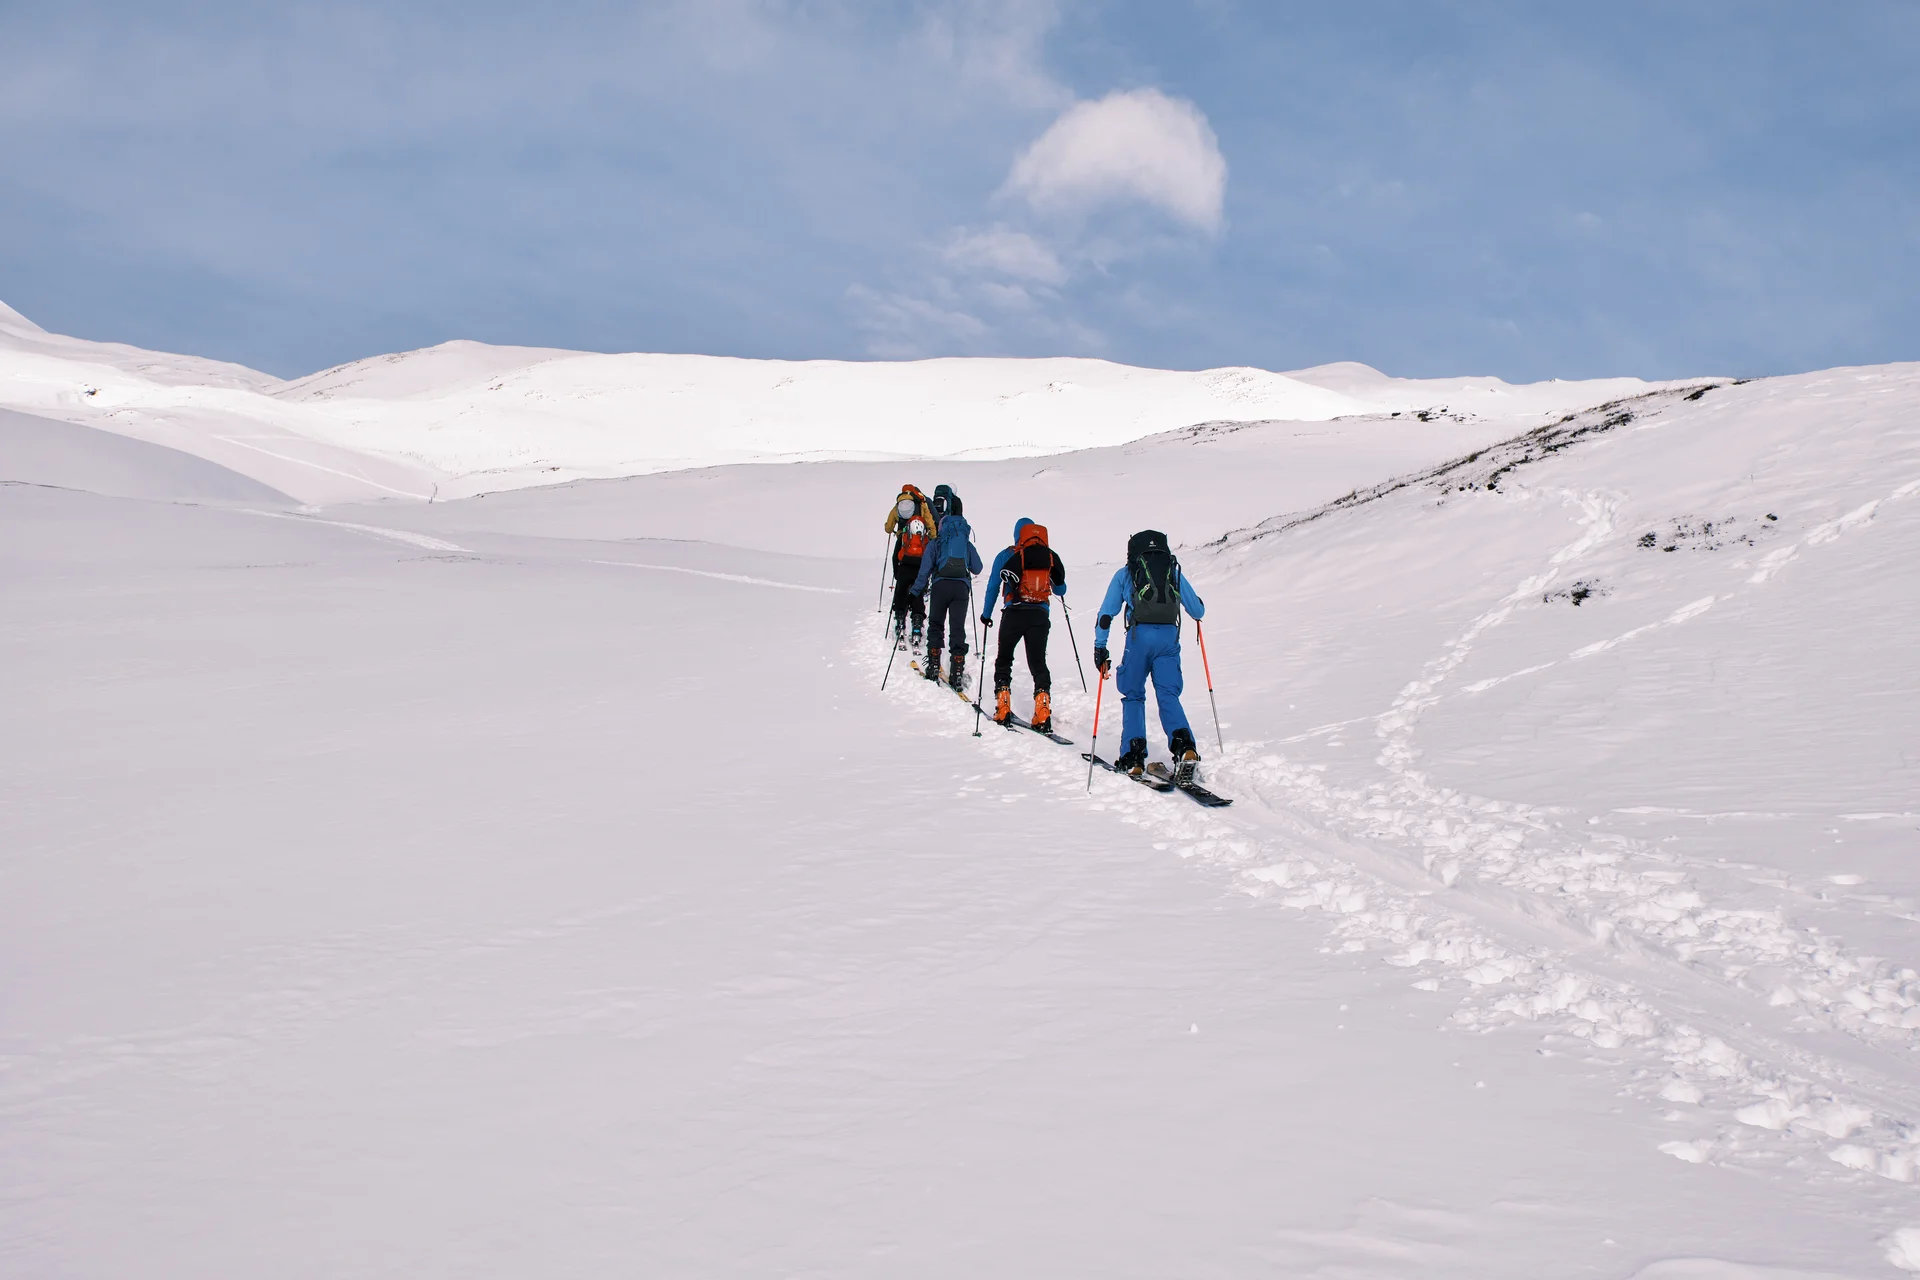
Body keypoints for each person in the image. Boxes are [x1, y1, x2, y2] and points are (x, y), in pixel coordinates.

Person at [1092, 529, 1206, 778]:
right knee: (1168, 694)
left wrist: (1100, 647)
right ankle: (1184, 746)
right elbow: (1197, 611)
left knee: (1133, 694)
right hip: (1168, 638)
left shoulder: (1126, 574)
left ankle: (1133, 756)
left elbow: (1105, 615)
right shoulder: (1172, 571)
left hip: (1139, 638)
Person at [979, 518, 1066, 733]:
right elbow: (1060, 590)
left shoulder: (1007, 555)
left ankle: (1003, 705)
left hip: (1014, 613)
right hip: (1039, 615)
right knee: (1038, 663)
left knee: (1004, 659)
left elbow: (993, 586)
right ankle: (1043, 709)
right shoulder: (1048, 556)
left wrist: (986, 614)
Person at [910, 490, 982, 688]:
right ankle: (957, 671)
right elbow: (978, 568)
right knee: (957, 629)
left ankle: (933, 666)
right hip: (961, 589)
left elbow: (924, 572)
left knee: (936, 625)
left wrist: (914, 592)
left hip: (941, 586)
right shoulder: (965, 544)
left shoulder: (936, 543)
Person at [883, 484, 936, 645]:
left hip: (904, 545)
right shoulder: (921, 503)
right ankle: (917, 622)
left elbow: (888, 527)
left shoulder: (898, 504)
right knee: (917, 589)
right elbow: (929, 520)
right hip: (920, 548)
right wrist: (933, 536)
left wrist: (897, 574)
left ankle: (900, 617)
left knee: (901, 588)